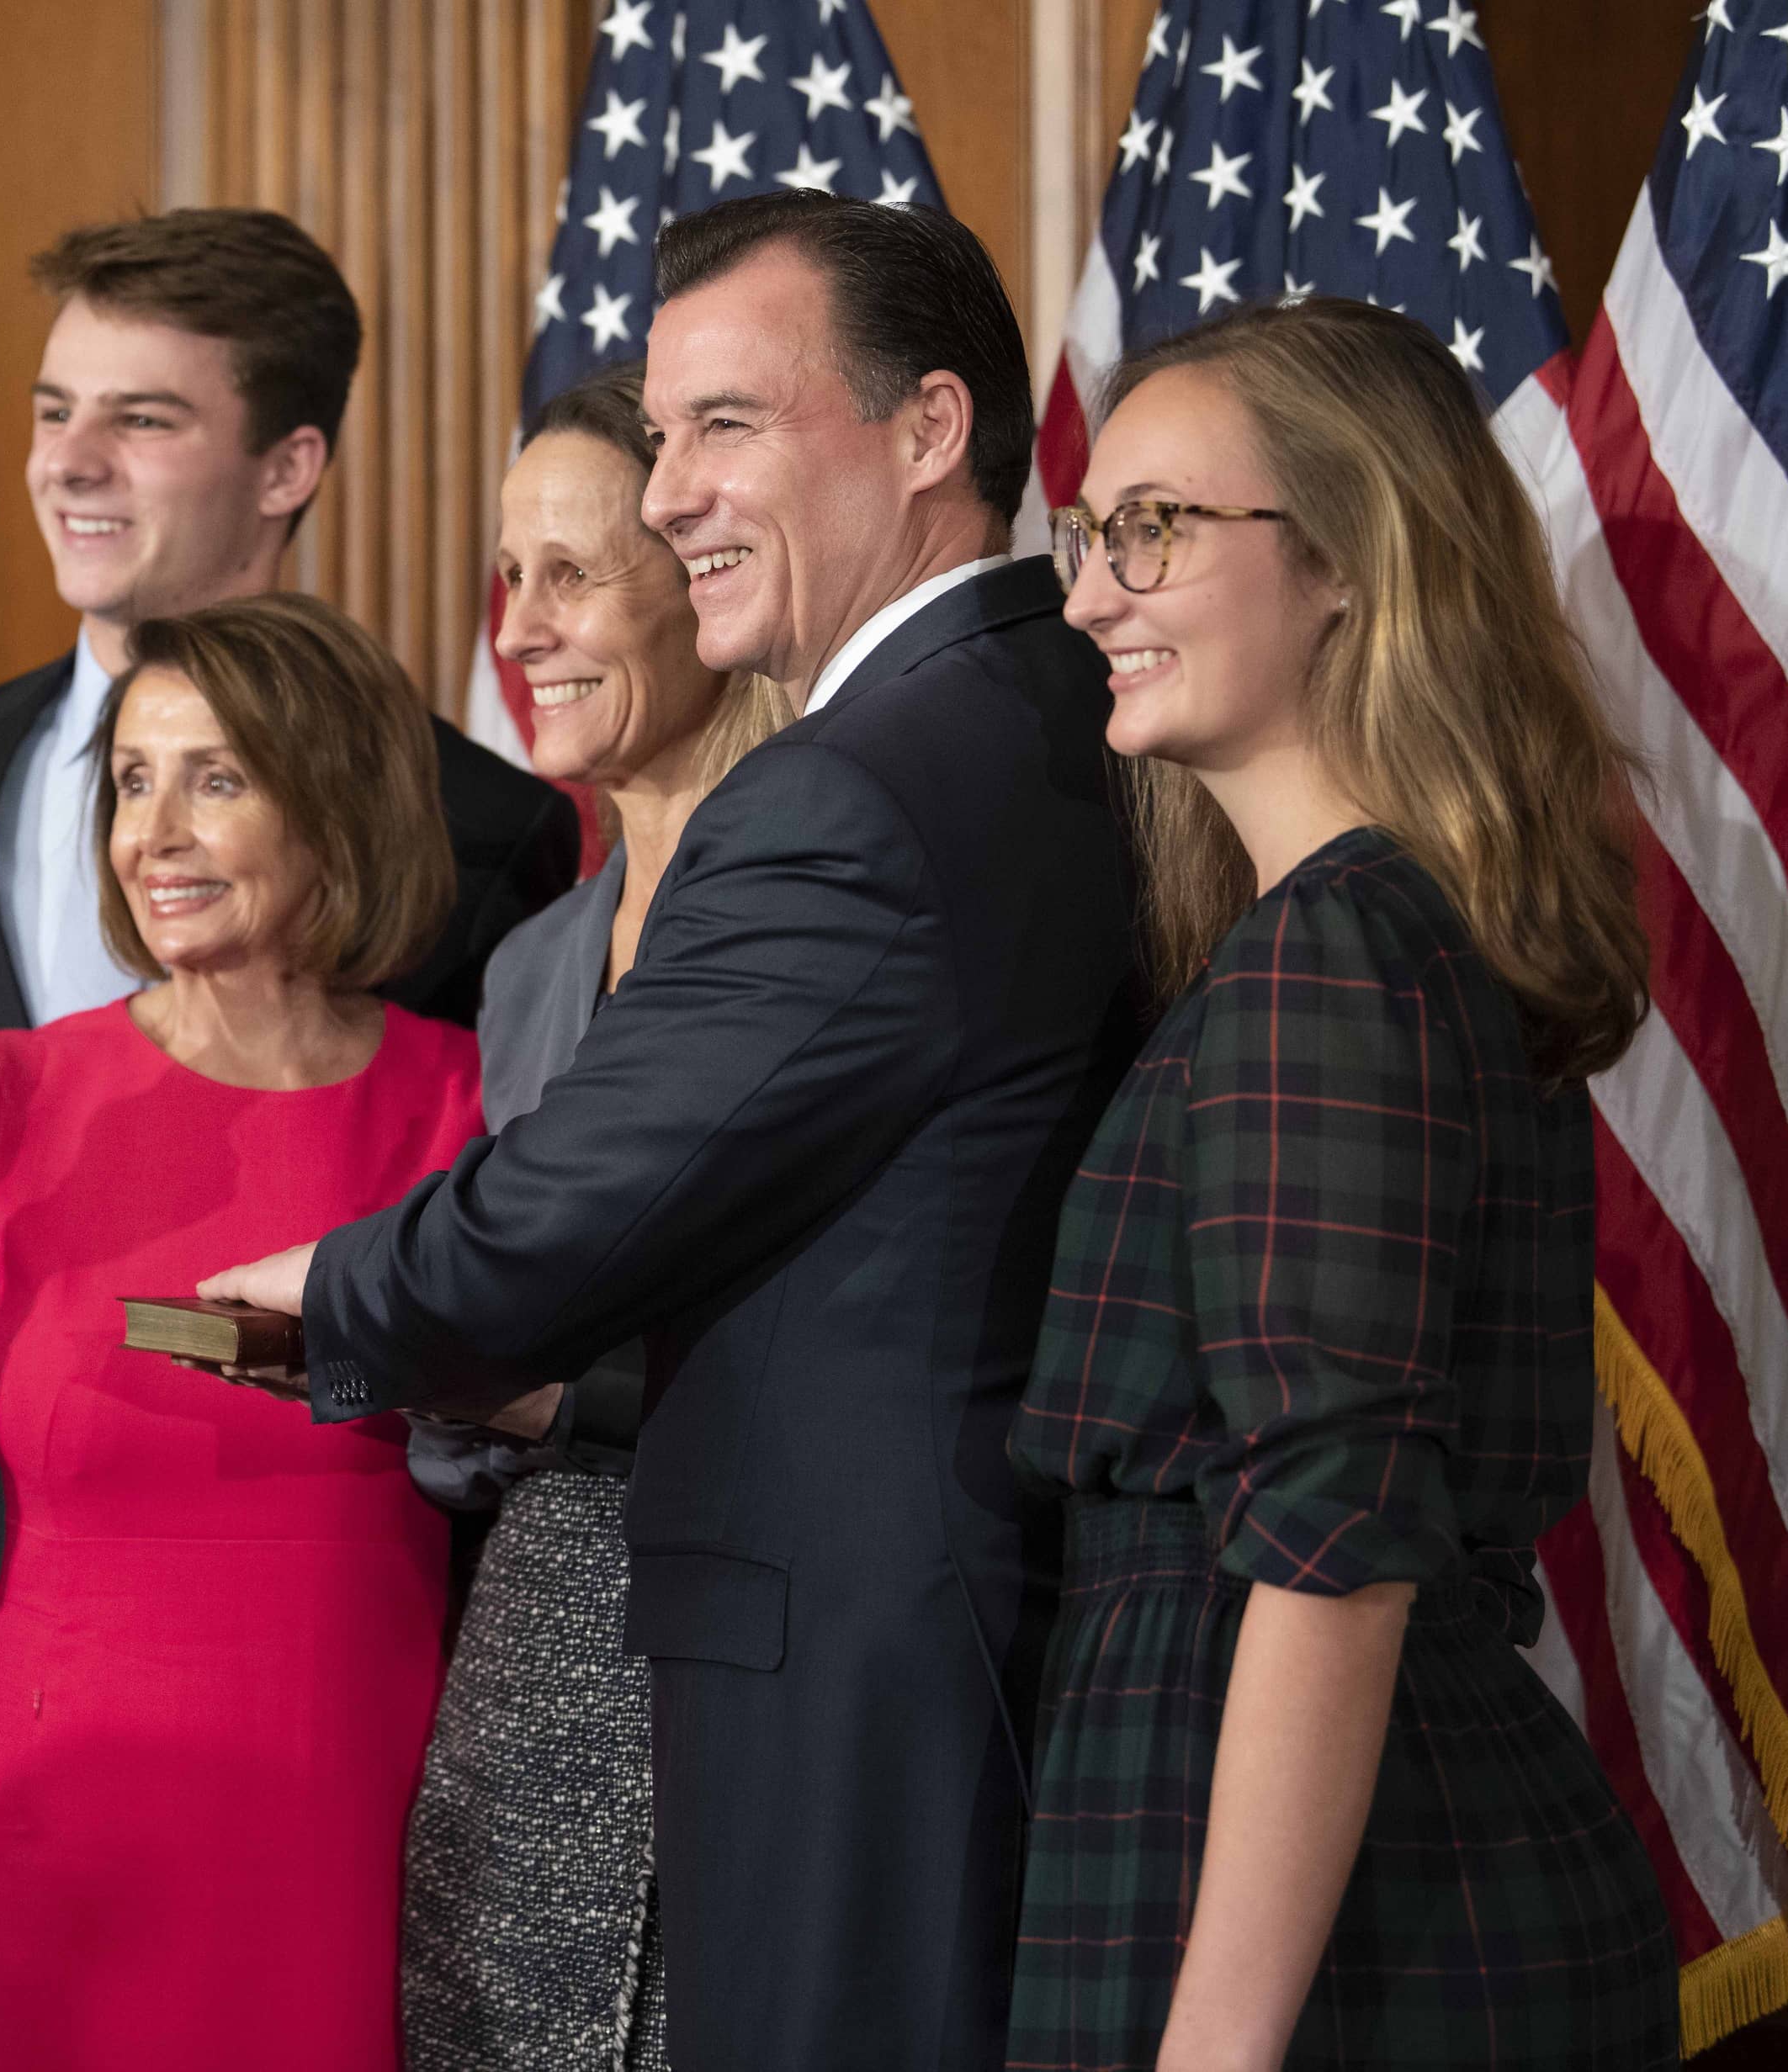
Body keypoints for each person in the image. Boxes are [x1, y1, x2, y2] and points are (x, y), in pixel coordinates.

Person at [204, 190, 1138, 2069]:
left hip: (856, 1662)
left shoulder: (852, 786)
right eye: (662, 433)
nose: (663, 496)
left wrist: (326, 1287)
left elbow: (582, 1195)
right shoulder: (1057, 703)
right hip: (969, 1621)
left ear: (930, 429)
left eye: (723, 425)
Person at [0, 209, 577, 2048]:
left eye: (140, 418)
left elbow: (526, 1361)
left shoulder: (488, 886)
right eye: (51, 407)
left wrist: (280, 1328)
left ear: (287, 462)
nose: (69, 461)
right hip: (0, 1709)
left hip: (355, 1740)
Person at [1008, 297, 1677, 2070]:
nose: (1084, 595)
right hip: (1339, 1857)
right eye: (1087, 535)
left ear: (1343, 558)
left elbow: (1332, 1555)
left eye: (1148, 526)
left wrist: (1209, 2056)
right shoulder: (1352, 937)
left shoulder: (1328, 957)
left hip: (1339, 1921)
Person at [0, 592, 484, 2070]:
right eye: (131, 781)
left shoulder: (463, 1106)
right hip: (57, 1828)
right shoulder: (6, 1097)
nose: (155, 831)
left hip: (346, 1813)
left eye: (217, 779)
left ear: (339, 803)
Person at [395, 361, 788, 2072]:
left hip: (763, 1647)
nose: (521, 627)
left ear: (704, 582)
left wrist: (546, 1382)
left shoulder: (827, 902)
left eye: (572, 573)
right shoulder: (535, 959)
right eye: (507, 577)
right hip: (535, 1653)